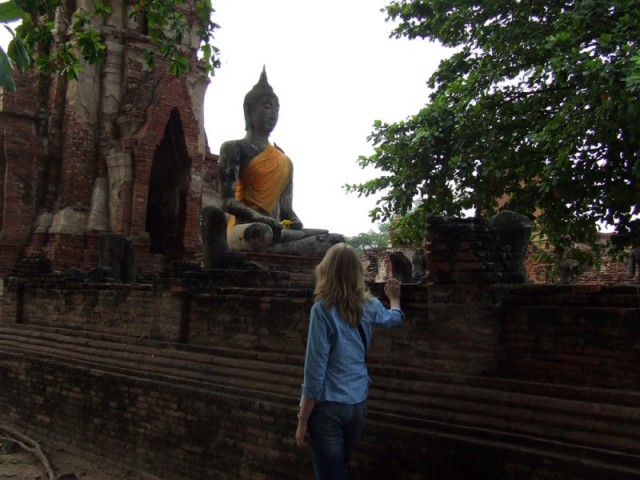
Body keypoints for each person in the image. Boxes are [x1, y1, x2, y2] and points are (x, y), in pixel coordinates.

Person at [295, 243, 404, 479]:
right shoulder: (370, 305)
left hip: (328, 407)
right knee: (337, 470)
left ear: (326, 271)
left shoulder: (322, 310)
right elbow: (393, 320)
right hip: (357, 404)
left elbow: (315, 371)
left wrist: (302, 419)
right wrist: (395, 299)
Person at [216, 67, 343, 253]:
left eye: (277, 108)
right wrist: (259, 217)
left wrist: (295, 220)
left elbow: (286, 211)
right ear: (248, 110)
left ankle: (276, 249)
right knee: (261, 233)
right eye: (267, 107)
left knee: (335, 241)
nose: (273, 114)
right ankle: (283, 248)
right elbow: (226, 201)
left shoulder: (285, 162)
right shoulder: (234, 148)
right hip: (245, 228)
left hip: (277, 230)